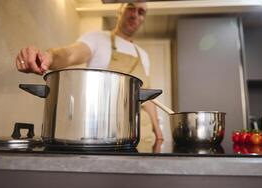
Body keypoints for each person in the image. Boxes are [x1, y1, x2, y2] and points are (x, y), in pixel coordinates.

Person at [15, 2, 163, 141]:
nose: (135, 14)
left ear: (143, 19)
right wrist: (49, 57)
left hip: (143, 135)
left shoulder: (143, 55)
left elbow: (147, 98)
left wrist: (158, 132)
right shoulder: (98, 39)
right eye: (131, 7)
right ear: (119, 10)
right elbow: (70, 54)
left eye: (141, 12)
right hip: (105, 135)